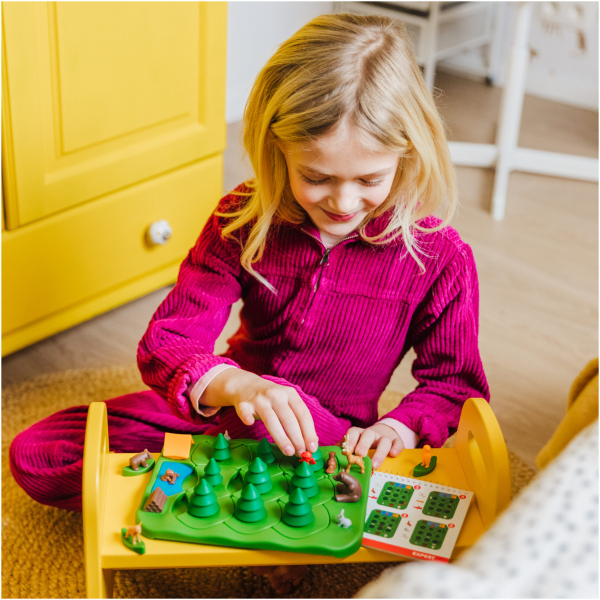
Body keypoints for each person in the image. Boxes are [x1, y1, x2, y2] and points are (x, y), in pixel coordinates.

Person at [10, 13, 489, 594]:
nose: (343, 202)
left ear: (408, 155)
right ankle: (269, 513)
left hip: (335, 442)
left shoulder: (439, 258)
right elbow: (169, 342)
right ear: (276, 149)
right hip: (231, 413)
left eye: (369, 179)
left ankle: (271, 507)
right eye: (316, 176)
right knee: (40, 455)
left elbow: (454, 385)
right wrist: (238, 387)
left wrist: (401, 428)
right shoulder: (241, 219)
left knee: (436, 505)